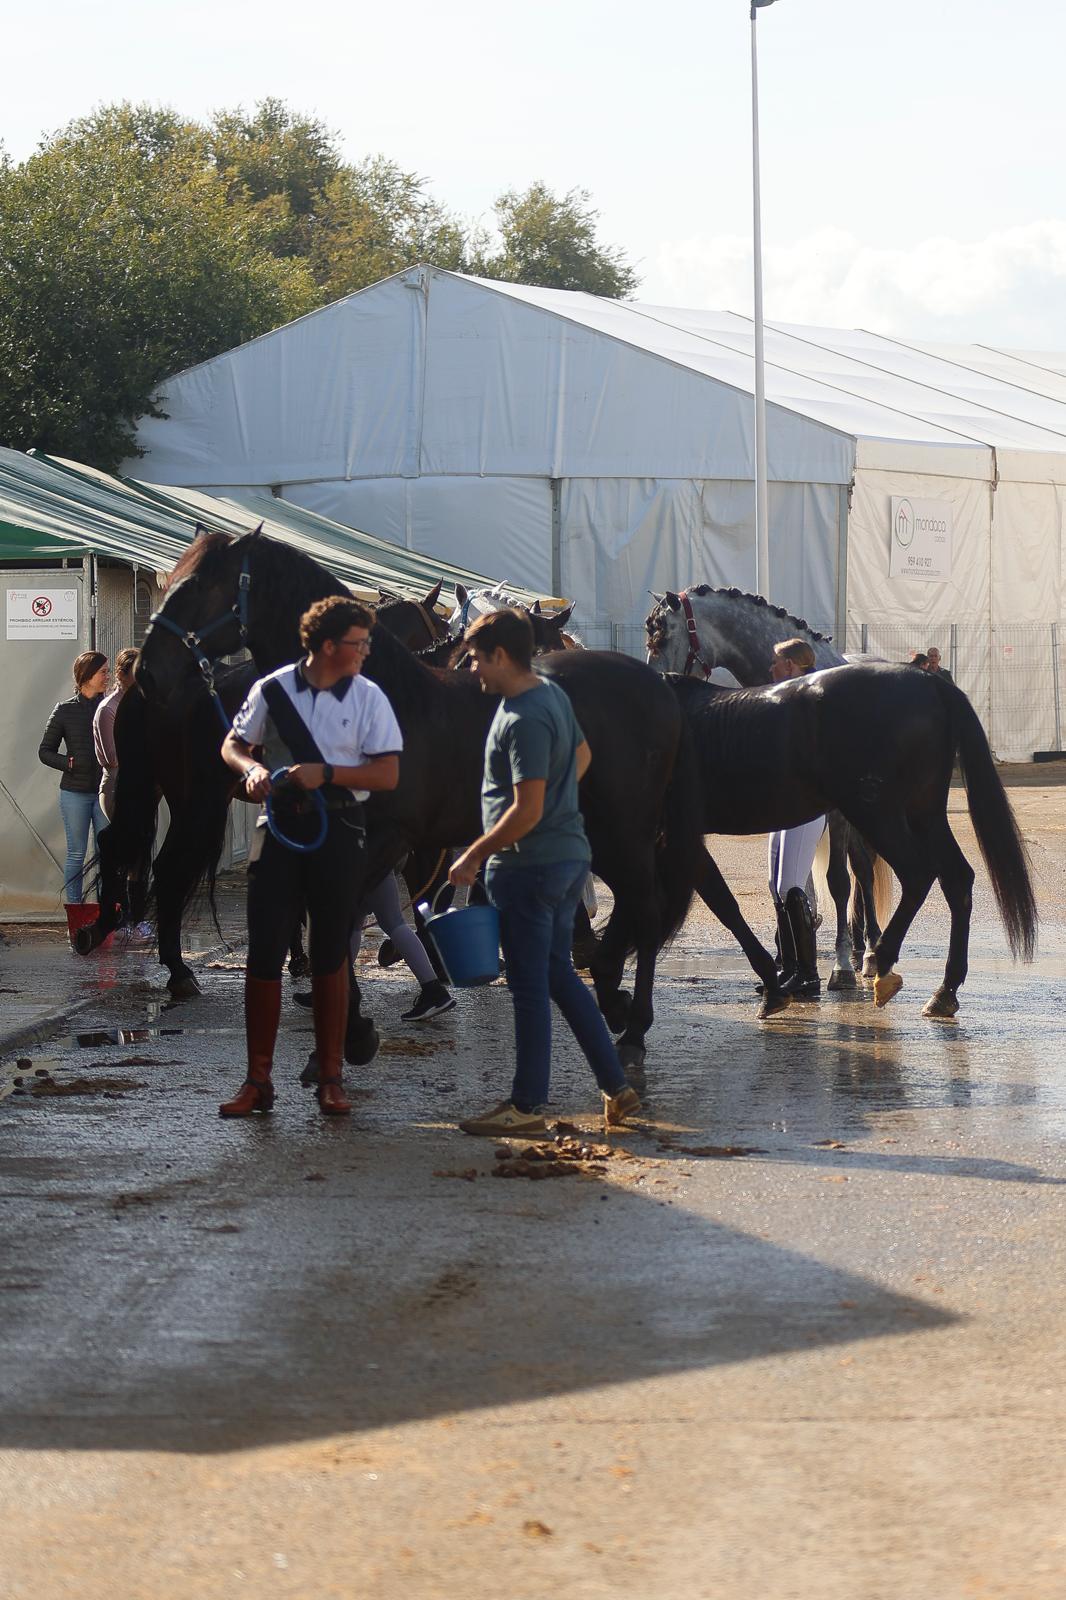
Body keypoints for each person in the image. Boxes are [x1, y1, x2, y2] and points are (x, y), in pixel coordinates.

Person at [448, 607, 639, 1137]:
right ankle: (616, 1088)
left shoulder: (522, 715)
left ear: (501, 655)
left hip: (529, 867)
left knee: (529, 987)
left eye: (476, 660)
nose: (473, 672)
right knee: (556, 975)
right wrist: (559, 805)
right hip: (563, 859)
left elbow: (526, 810)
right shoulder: (551, 694)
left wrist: (475, 853)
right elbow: (580, 755)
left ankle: (527, 1105)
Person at [218, 596, 402, 1118]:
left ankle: (330, 1077)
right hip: (277, 827)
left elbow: (387, 774)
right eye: (359, 642)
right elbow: (233, 744)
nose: (366, 651)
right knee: (264, 949)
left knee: (330, 951)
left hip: (340, 829)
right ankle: (257, 1081)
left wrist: (330, 775)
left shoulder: (368, 697)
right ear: (328, 646)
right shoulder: (270, 689)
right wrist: (248, 770)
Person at [767, 638, 824, 1000]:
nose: (770, 669)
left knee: (791, 885)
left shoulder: (809, 699)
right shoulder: (787, 697)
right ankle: (789, 967)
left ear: (790, 665)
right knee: (776, 885)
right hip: (783, 803)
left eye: (775, 663)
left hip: (805, 803)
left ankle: (809, 974)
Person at [38, 650, 109, 904]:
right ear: (87, 675)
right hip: (74, 793)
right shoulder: (65, 710)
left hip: (104, 793)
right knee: (76, 854)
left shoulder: (109, 707)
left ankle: (106, 913)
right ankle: (75, 912)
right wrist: (69, 763)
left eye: (108, 671)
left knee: (107, 855)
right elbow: (44, 751)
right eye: (102, 672)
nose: (107, 677)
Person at [93, 646, 138, 821]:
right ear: (121, 674)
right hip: (117, 786)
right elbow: (113, 758)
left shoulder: (141, 705)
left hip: (140, 784)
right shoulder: (108, 709)